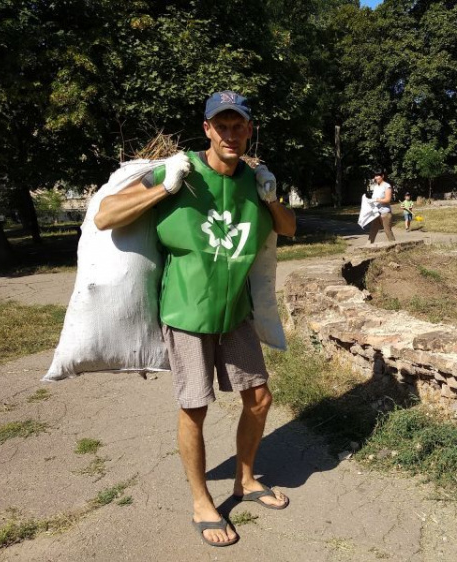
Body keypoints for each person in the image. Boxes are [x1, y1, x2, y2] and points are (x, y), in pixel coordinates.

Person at [95, 91, 296, 548]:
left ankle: (245, 479)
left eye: (238, 125)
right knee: (195, 407)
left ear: (248, 130)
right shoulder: (180, 173)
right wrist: (163, 187)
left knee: (260, 399)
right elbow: (106, 216)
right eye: (220, 125)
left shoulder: (255, 178)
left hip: (236, 312)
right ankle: (201, 500)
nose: (230, 134)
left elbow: (287, 228)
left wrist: (269, 198)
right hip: (187, 312)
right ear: (206, 129)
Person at [368, 169, 395, 243]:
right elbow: (374, 199)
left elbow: (388, 199)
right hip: (376, 212)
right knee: (373, 229)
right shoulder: (376, 186)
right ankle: (368, 245)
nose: (376, 177)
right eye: (375, 176)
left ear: (382, 176)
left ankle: (394, 245)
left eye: (377, 176)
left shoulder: (387, 186)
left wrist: (377, 200)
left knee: (387, 230)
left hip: (385, 213)